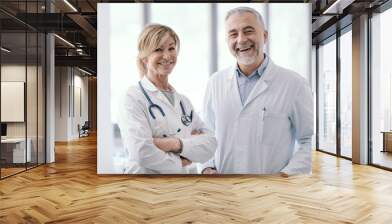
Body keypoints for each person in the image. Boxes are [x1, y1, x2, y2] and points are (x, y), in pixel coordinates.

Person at [201, 7, 313, 176]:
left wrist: (285, 176)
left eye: (248, 31)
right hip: (223, 188)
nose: (241, 40)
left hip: (271, 193)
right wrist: (208, 167)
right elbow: (207, 133)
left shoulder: (294, 84)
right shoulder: (215, 82)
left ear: (265, 36)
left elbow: (305, 141)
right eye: (233, 34)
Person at [119, 24, 217, 174]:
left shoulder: (183, 102)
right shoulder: (133, 97)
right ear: (144, 58)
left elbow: (211, 144)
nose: (167, 56)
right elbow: (141, 151)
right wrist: (181, 159)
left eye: (171, 48)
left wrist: (174, 144)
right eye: (158, 49)